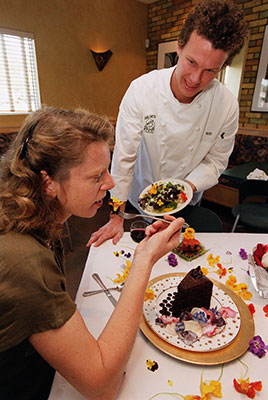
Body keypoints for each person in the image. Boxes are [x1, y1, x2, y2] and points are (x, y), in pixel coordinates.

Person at [0, 106, 184, 400]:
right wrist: (144, 260)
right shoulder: (23, 259)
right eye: (97, 176)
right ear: (49, 183)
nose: (110, 184)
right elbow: (102, 386)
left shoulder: (38, 218)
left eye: (108, 170)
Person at [88, 0, 248, 248]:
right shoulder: (142, 90)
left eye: (210, 71)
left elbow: (216, 161)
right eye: (191, 62)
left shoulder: (226, 105)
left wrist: (185, 187)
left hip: (188, 200)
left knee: (182, 257)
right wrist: (116, 214)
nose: (196, 79)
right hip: (140, 197)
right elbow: (124, 157)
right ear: (180, 47)